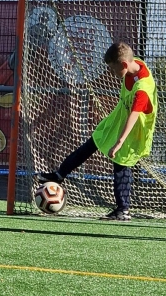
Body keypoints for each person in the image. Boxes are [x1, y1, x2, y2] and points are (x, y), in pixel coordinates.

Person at [42, 42, 157, 221]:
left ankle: (123, 210)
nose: (110, 73)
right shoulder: (134, 63)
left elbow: (134, 116)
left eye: (112, 69)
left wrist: (119, 142)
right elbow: (123, 52)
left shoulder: (142, 90)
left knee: (121, 162)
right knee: (90, 144)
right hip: (118, 118)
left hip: (135, 130)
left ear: (124, 65)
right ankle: (59, 175)